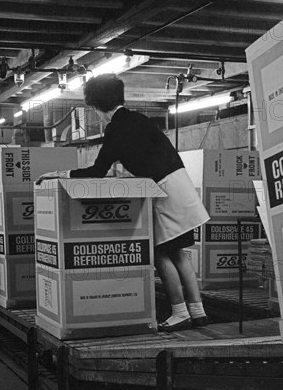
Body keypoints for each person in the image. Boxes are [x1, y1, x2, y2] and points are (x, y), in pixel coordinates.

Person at [37, 73, 210, 332]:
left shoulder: (116, 128)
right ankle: (198, 311)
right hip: (180, 185)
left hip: (164, 191)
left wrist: (60, 174)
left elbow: (97, 171)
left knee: (159, 253)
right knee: (179, 253)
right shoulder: (140, 119)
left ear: (96, 107)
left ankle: (179, 312)